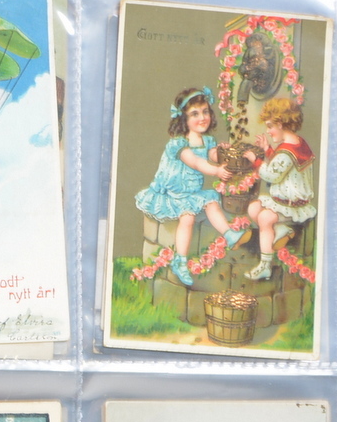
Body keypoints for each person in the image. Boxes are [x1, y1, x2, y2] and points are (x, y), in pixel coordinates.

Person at [135, 87, 247, 286]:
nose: (202, 118)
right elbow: (196, 162)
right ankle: (180, 261)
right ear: (183, 119)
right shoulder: (179, 144)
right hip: (174, 193)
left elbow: (211, 155)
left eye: (205, 112)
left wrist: (222, 153)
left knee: (212, 202)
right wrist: (217, 171)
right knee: (187, 218)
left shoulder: (208, 140)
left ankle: (229, 234)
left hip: (192, 191)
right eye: (195, 114)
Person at [244, 97, 316, 280]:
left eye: (270, 126)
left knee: (264, 217)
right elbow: (280, 164)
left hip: (292, 206)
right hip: (281, 202)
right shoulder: (296, 143)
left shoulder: (288, 152)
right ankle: (280, 229)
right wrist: (268, 149)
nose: (268, 131)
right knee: (253, 208)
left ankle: (265, 265)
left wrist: (255, 160)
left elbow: (272, 174)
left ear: (281, 123)